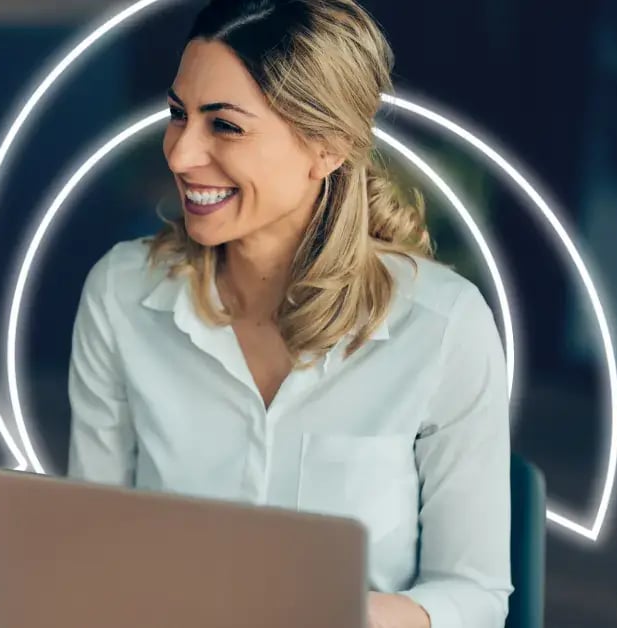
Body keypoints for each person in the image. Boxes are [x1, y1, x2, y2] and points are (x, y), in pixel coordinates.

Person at [64, 1, 513, 627]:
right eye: (178, 115)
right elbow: (94, 549)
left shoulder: (443, 326)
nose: (180, 153)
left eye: (224, 126)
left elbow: (475, 597)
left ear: (326, 147)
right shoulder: (120, 294)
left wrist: (342, 616)